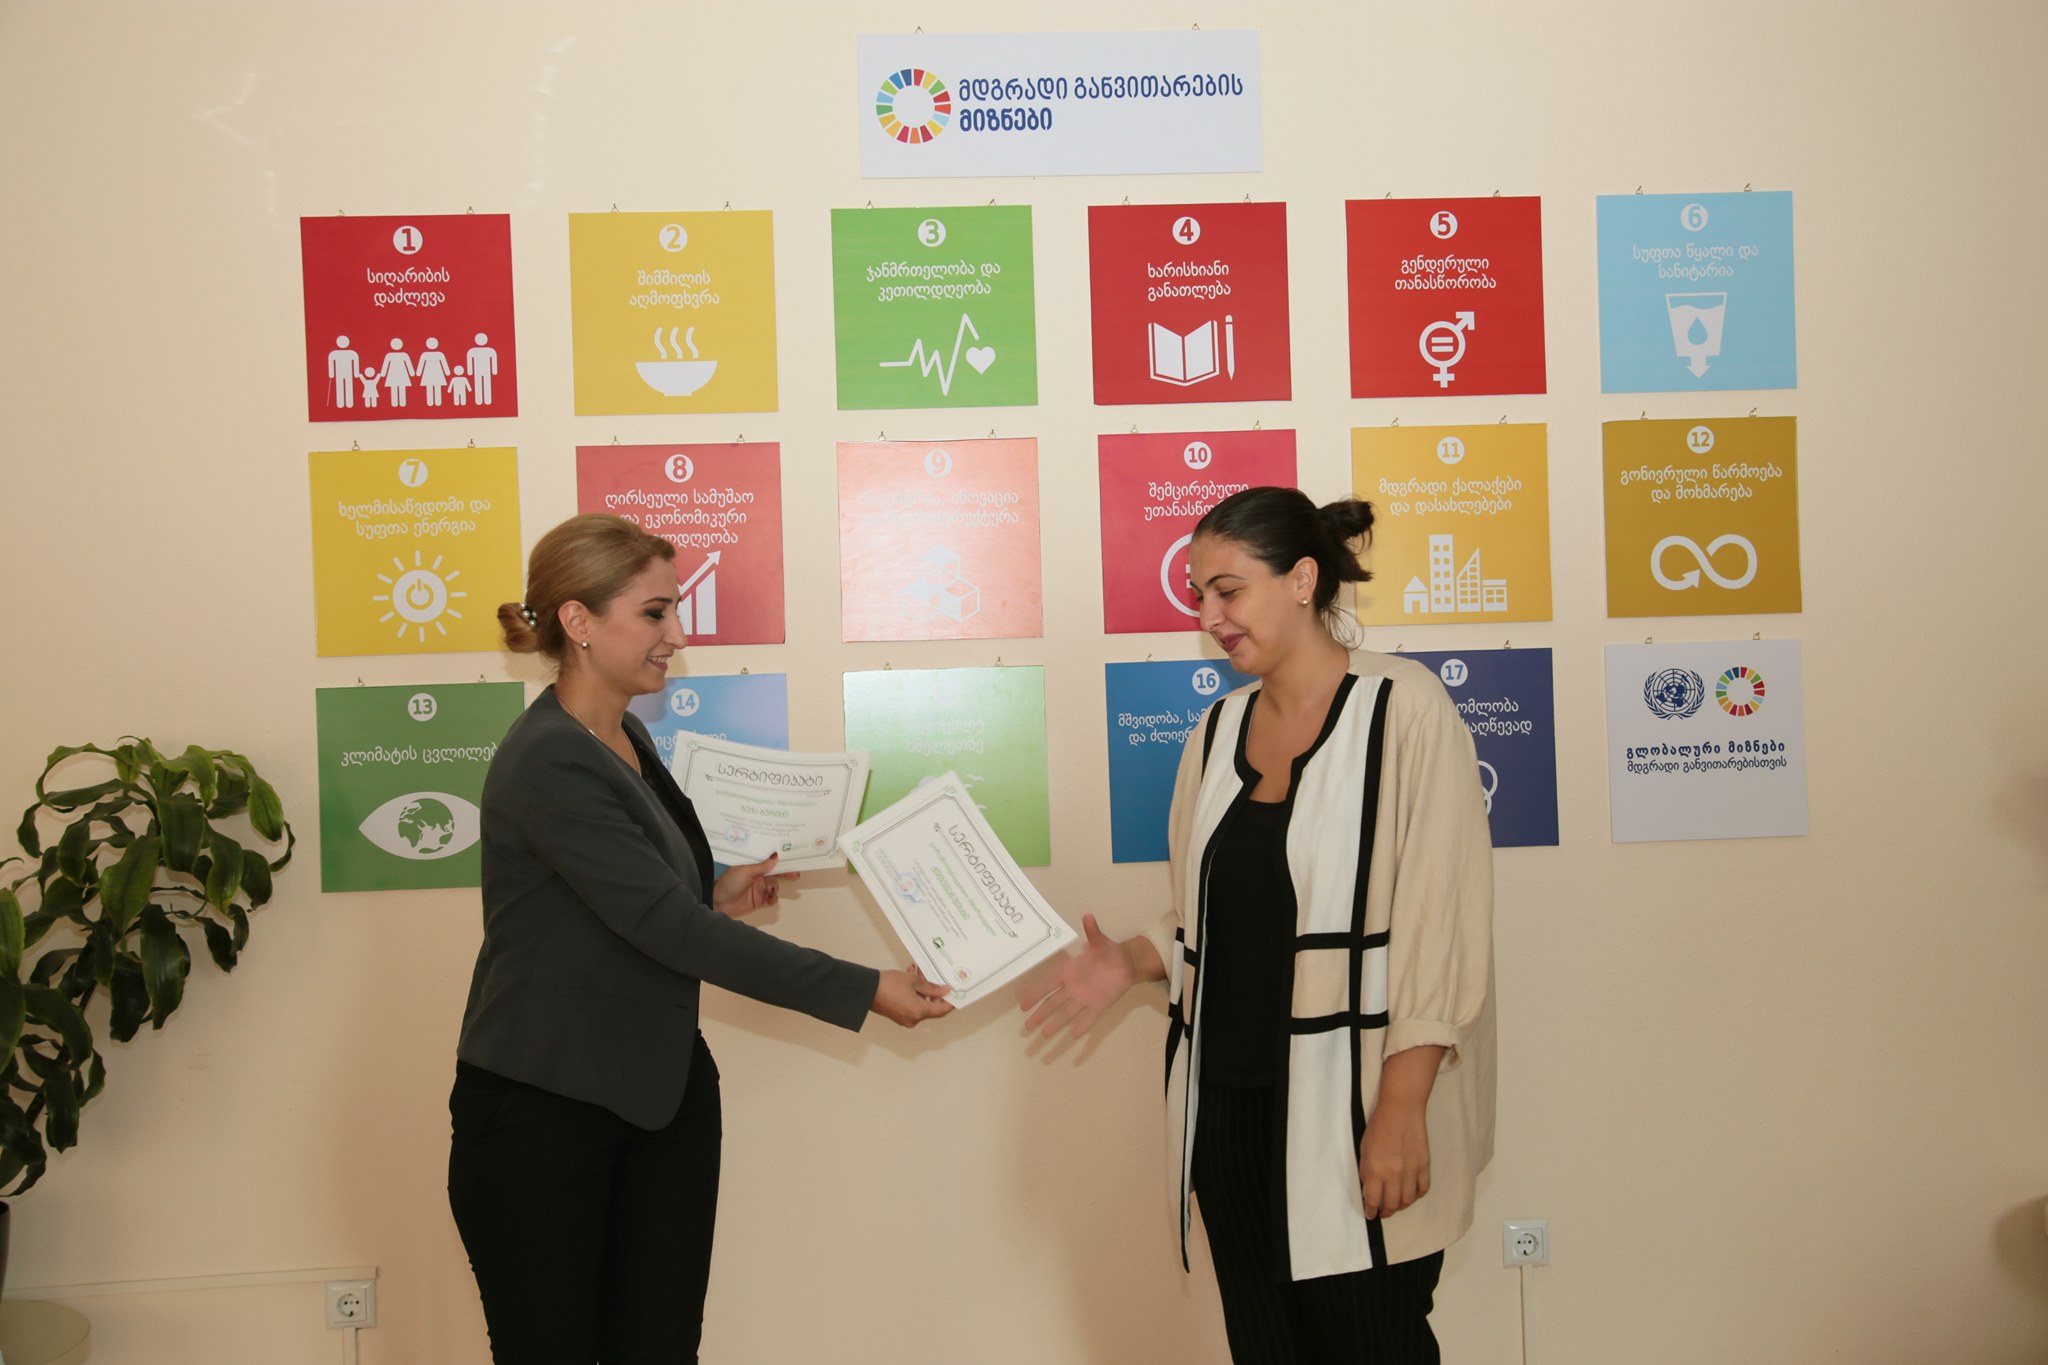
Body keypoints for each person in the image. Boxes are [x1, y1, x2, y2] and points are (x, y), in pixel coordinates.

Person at [449, 513, 952, 1364]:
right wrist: (865, 988)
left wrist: (714, 891)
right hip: (545, 1113)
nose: (677, 635)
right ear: (577, 621)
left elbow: (639, 902)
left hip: (661, 1098)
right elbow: (669, 930)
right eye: (654, 613)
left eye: (674, 609)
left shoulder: (626, 735)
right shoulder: (548, 760)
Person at [1020, 487, 1495, 1364]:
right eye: (1199, 594)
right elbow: (1216, 915)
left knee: (1372, 1343)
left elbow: (1443, 921)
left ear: (1303, 580)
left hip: (1355, 1107)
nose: (1210, 616)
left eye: (1228, 590)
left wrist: (1401, 1106)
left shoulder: (1404, 707)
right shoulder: (1215, 730)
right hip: (1230, 1114)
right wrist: (1132, 959)